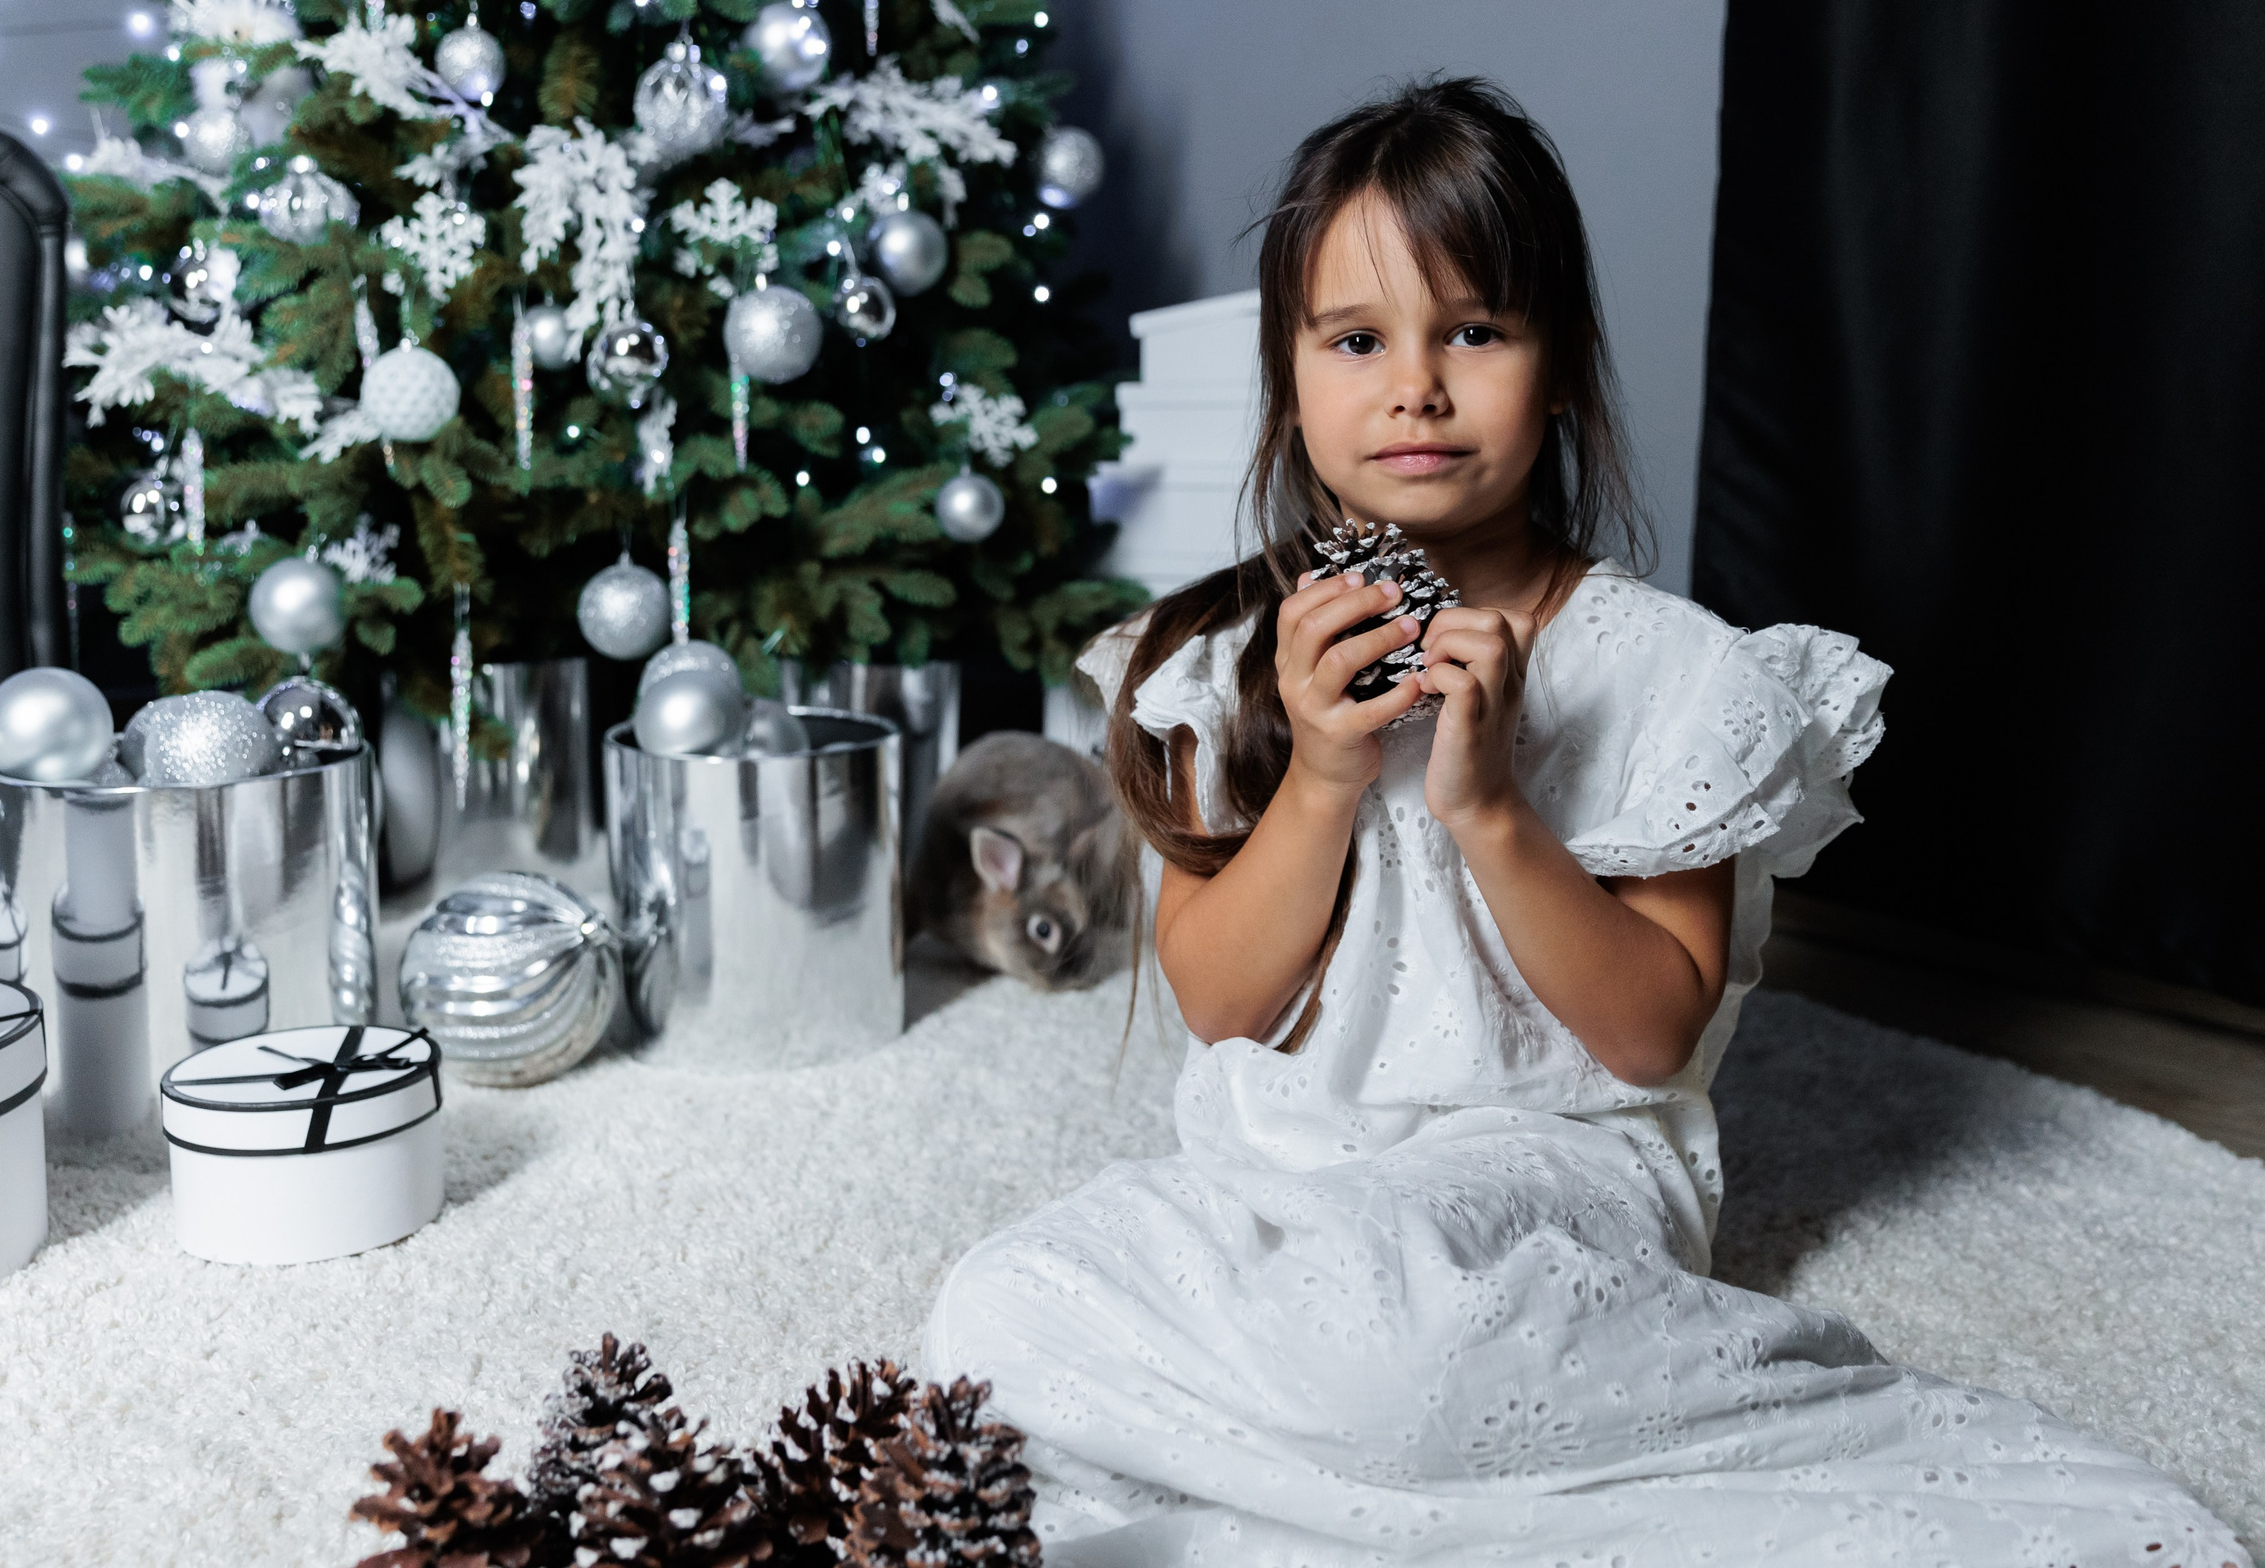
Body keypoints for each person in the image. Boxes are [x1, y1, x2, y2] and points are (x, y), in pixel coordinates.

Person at [923, 77, 2245, 1565]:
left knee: (1390, 1351)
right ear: (1292, 383)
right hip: (1282, 1159)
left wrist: (1489, 810)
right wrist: (1325, 773)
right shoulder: (1230, 658)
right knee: (993, 1308)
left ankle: (1331, 1460)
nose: (1414, 387)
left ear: (1558, 370)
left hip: (1543, 1168)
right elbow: (1225, 1006)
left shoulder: (1672, 675)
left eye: (1473, 332)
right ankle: (1335, 1456)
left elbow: (1646, 1038)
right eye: (1357, 342)